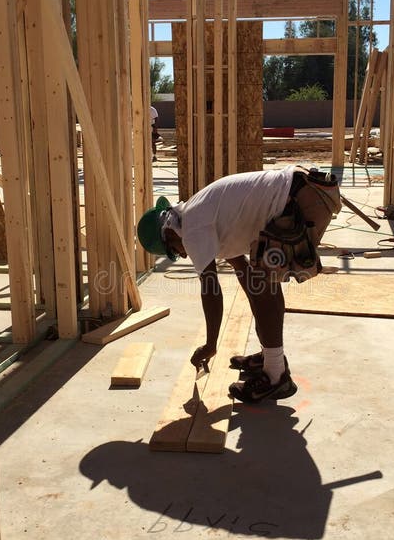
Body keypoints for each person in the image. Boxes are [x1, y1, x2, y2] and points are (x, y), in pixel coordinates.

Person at [137, 166, 341, 403]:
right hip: (303, 192)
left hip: (300, 200)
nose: (182, 255)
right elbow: (242, 269)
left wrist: (210, 345)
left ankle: (276, 376)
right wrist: (257, 305)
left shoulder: (192, 229)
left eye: (174, 250)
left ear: (168, 233)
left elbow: (211, 290)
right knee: (260, 285)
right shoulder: (200, 215)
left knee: (264, 290)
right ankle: (270, 357)